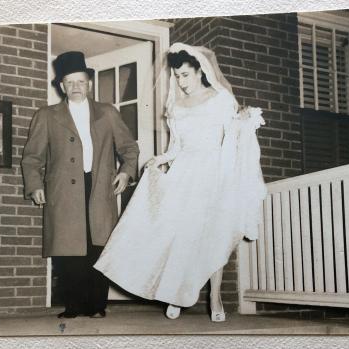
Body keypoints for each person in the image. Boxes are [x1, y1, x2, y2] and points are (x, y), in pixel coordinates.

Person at [94, 43, 266, 322]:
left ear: (200, 70)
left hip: (214, 172)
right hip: (185, 172)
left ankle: (215, 296)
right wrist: (160, 159)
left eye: (185, 75)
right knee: (179, 234)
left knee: (213, 235)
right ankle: (176, 293)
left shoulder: (219, 98)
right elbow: (176, 146)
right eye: (177, 76)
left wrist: (246, 121)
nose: (180, 82)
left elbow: (231, 136)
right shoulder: (176, 104)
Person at [21, 51, 139, 319]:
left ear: (90, 84)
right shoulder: (47, 115)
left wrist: (125, 172)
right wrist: (35, 184)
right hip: (63, 192)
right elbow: (32, 158)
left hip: (98, 186)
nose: (76, 87)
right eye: (70, 82)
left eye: (81, 81)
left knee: (99, 245)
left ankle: (97, 306)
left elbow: (129, 148)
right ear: (62, 85)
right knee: (69, 248)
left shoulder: (107, 113)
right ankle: (73, 305)